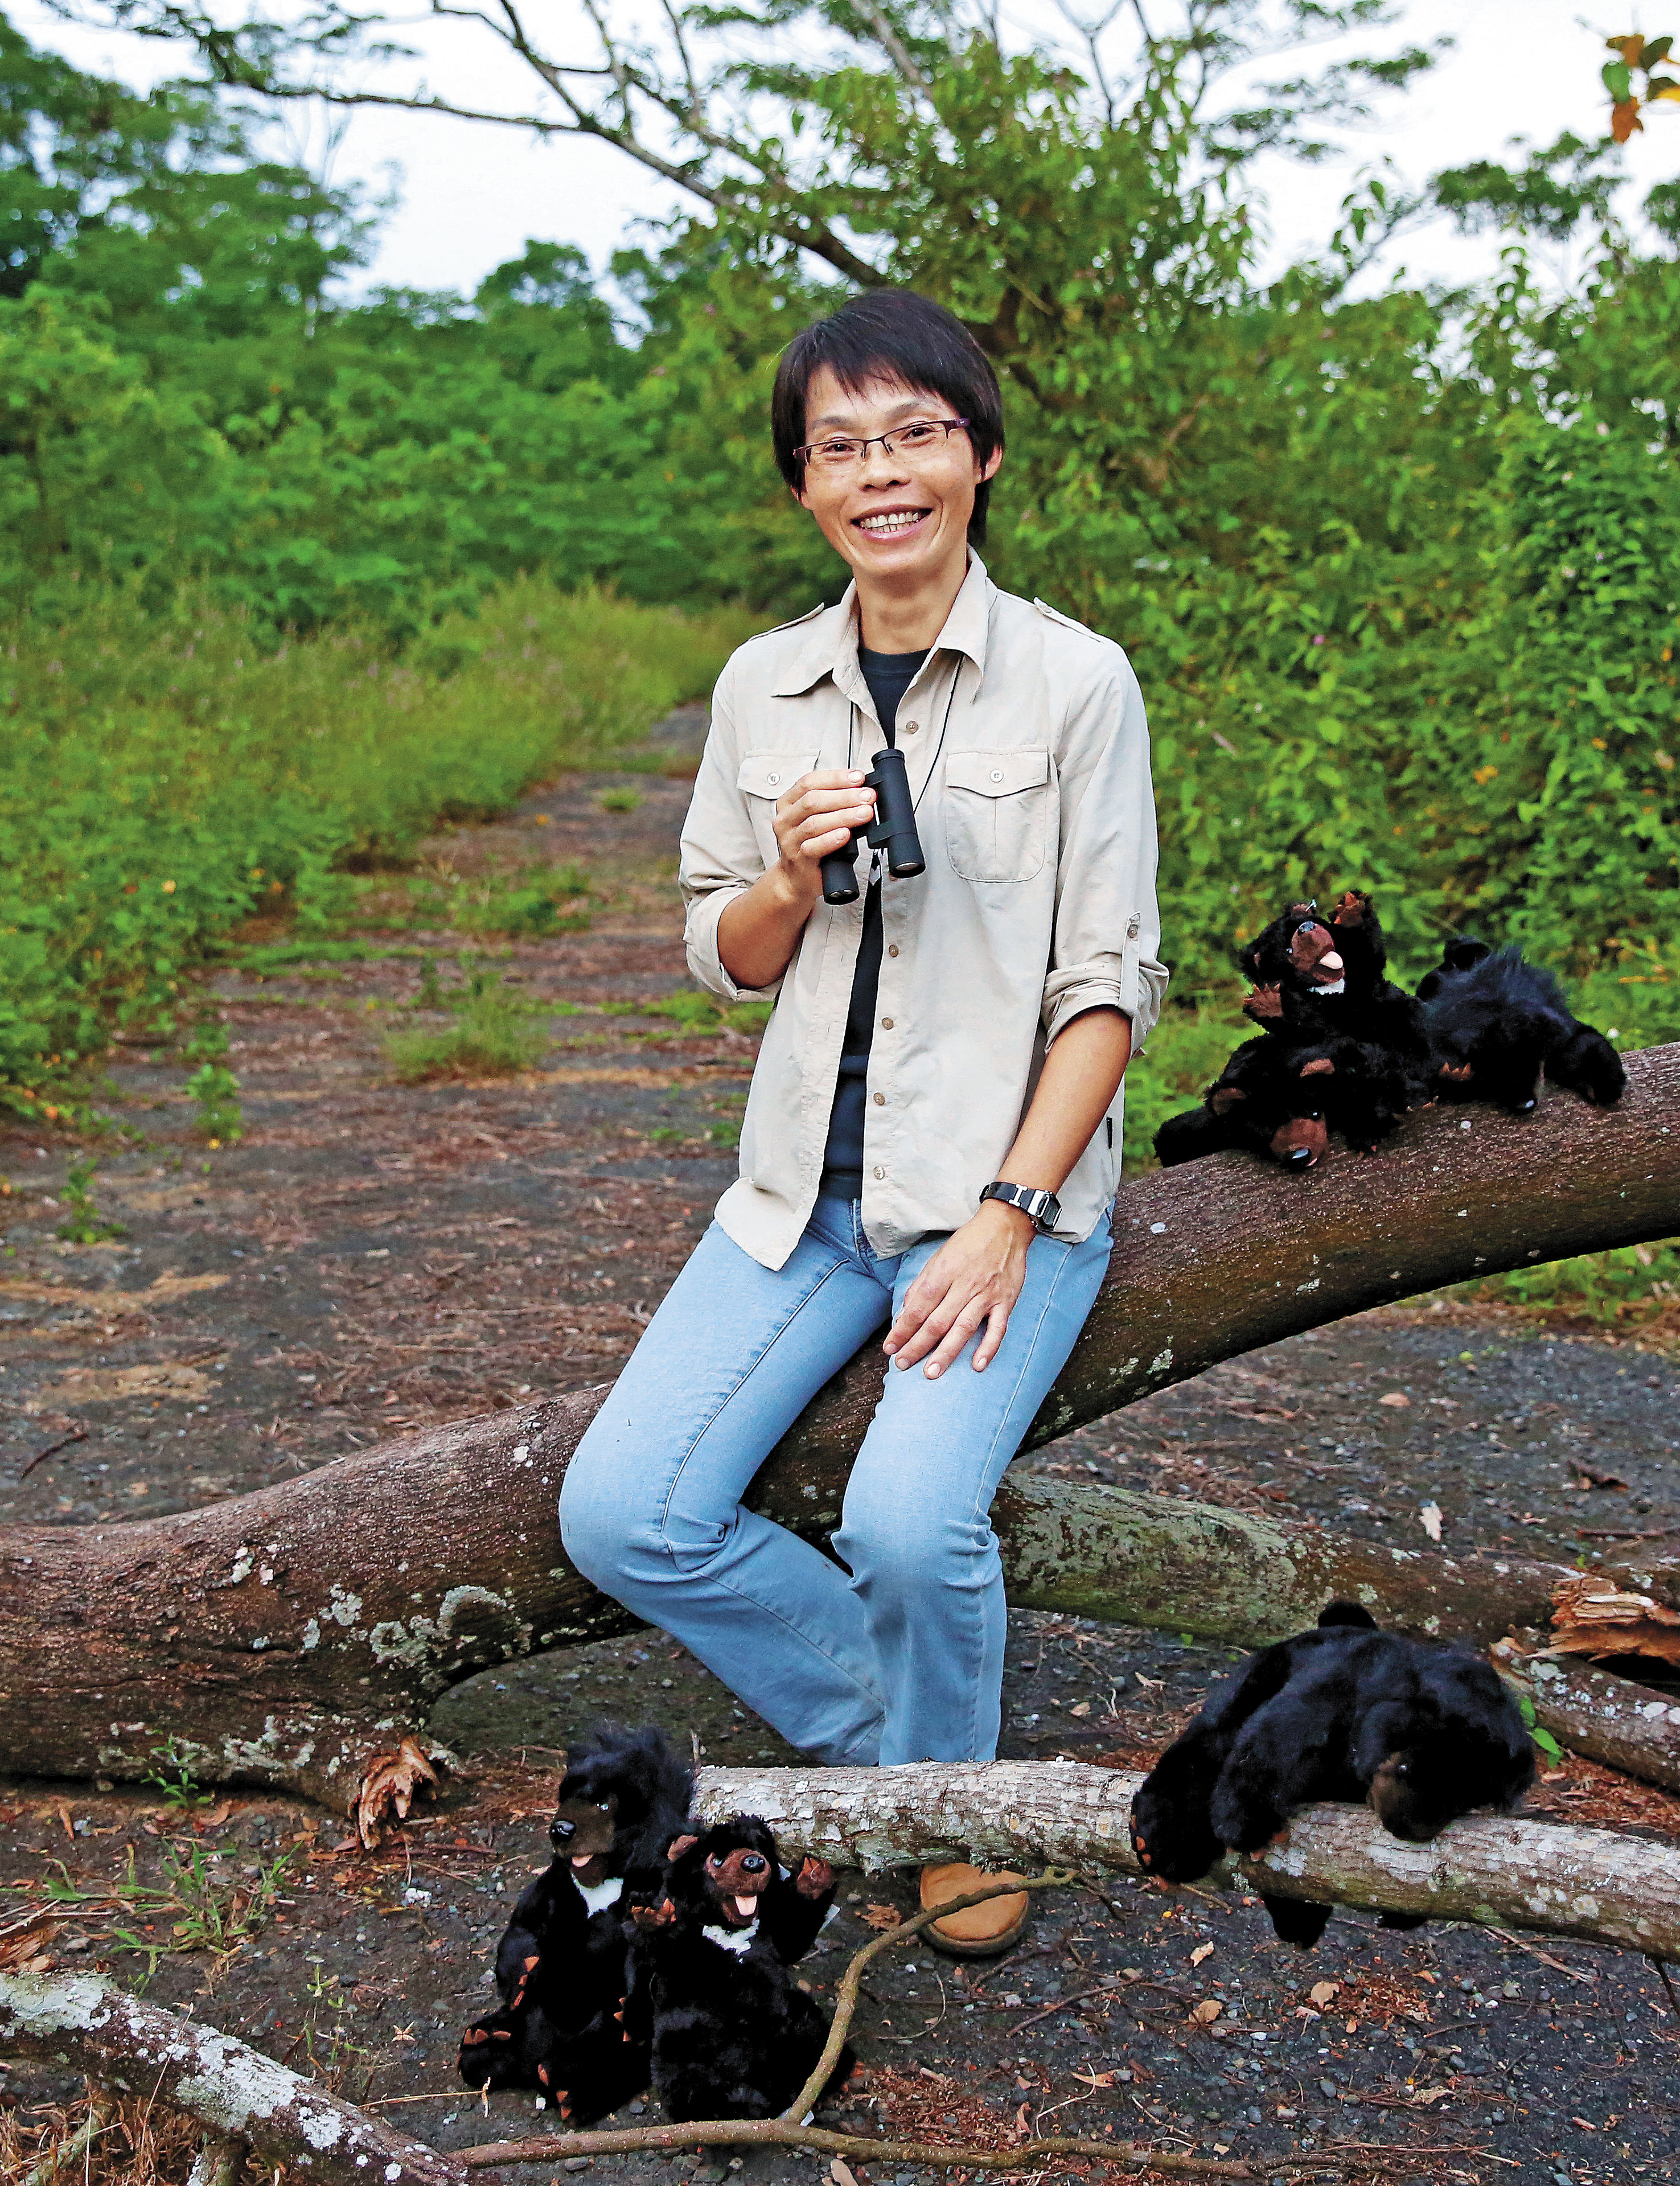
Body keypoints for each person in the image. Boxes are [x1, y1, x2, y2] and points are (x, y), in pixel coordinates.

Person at [557, 289, 1165, 1959]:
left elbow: (1106, 986)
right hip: (795, 1197)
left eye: (912, 435)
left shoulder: (1075, 682)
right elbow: (724, 959)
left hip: (991, 1195)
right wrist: (781, 877)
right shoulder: (766, 685)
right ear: (804, 487)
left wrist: (1005, 1218)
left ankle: (937, 1807)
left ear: (976, 454)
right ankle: (923, 1770)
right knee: (624, 1514)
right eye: (840, 447)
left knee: (906, 1522)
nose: (880, 473)